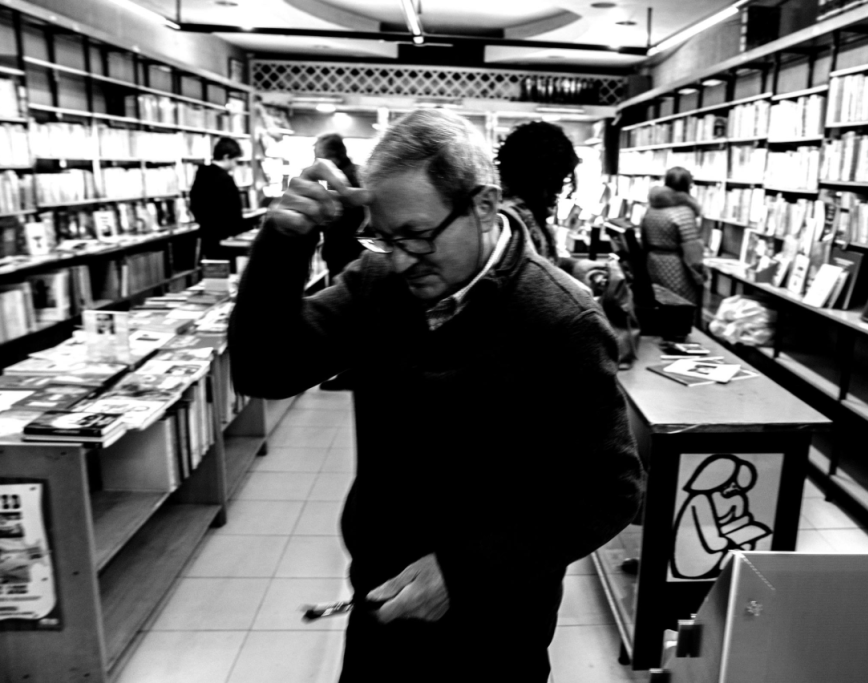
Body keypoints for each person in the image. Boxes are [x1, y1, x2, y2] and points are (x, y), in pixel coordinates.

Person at [228, 109, 644, 683]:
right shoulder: (380, 283)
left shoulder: (561, 320)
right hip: (379, 602)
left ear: (483, 205)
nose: (401, 258)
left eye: (417, 236)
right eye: (385, 237)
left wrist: (465, 571)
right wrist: (284, 240)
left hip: (495, 625)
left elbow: (610, 491)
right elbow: (264, 369)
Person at [495, 120, 579, 270]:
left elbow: (543, 265)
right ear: (541, 178)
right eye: (558, 179)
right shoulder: (517, 220)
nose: (559, 190)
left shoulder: (521, 211)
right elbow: (534, 279)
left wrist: (576, 266)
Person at [639, 166, 706, 304]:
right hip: (676, 269)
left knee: (658, 304)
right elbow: (692, 250)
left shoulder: (652, 208)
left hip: (652, 263)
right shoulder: (684, 211)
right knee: (680, 306)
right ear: (688, 185)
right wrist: (700, 274)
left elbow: (643, 238)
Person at [314, 132, 366, 281]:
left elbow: (339, 224)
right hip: (352, 255)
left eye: (319, 158)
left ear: (333, 158)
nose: (316, 164)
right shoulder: (357, 173)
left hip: (345, 256)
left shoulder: (343, 181)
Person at [188, 137, 245, 261]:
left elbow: (194, 205)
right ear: (226, 157)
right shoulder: (224, 179)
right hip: (227, 238)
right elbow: (232, 210)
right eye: (235, 160)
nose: (235, 165)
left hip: (207, 235)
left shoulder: (201, 174)